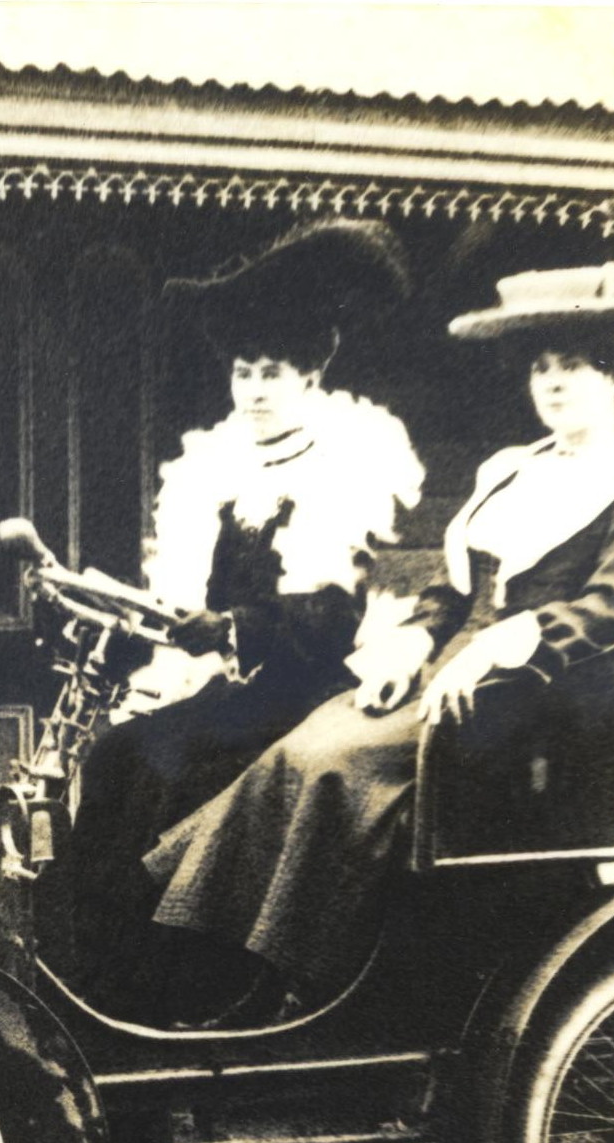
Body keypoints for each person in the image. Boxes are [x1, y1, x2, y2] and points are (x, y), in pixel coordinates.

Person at [141, 263, 614, 1002]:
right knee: (294, 750)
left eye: (576, 367)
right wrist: (413, 643)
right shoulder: (511, 469)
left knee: (334, 762)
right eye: (542, 368)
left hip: (532, 699)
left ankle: (306, 974)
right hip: (448, 676)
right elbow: (453, 591)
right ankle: (239, 966)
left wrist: (509, 639)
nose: (554, 383)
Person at [49, 220, 424, 1016]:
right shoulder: (213, 462)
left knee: (168, 769)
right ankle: (93, 977)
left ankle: (190, 992)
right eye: (243, 371)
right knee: (114, 754)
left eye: (273, 372)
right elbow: (185, 584)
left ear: (311, 373)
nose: (253, 388)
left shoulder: (349, 457)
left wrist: (227, 630)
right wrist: (161, 622)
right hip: (228, 680)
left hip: (310, 686)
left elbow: (330, 617)